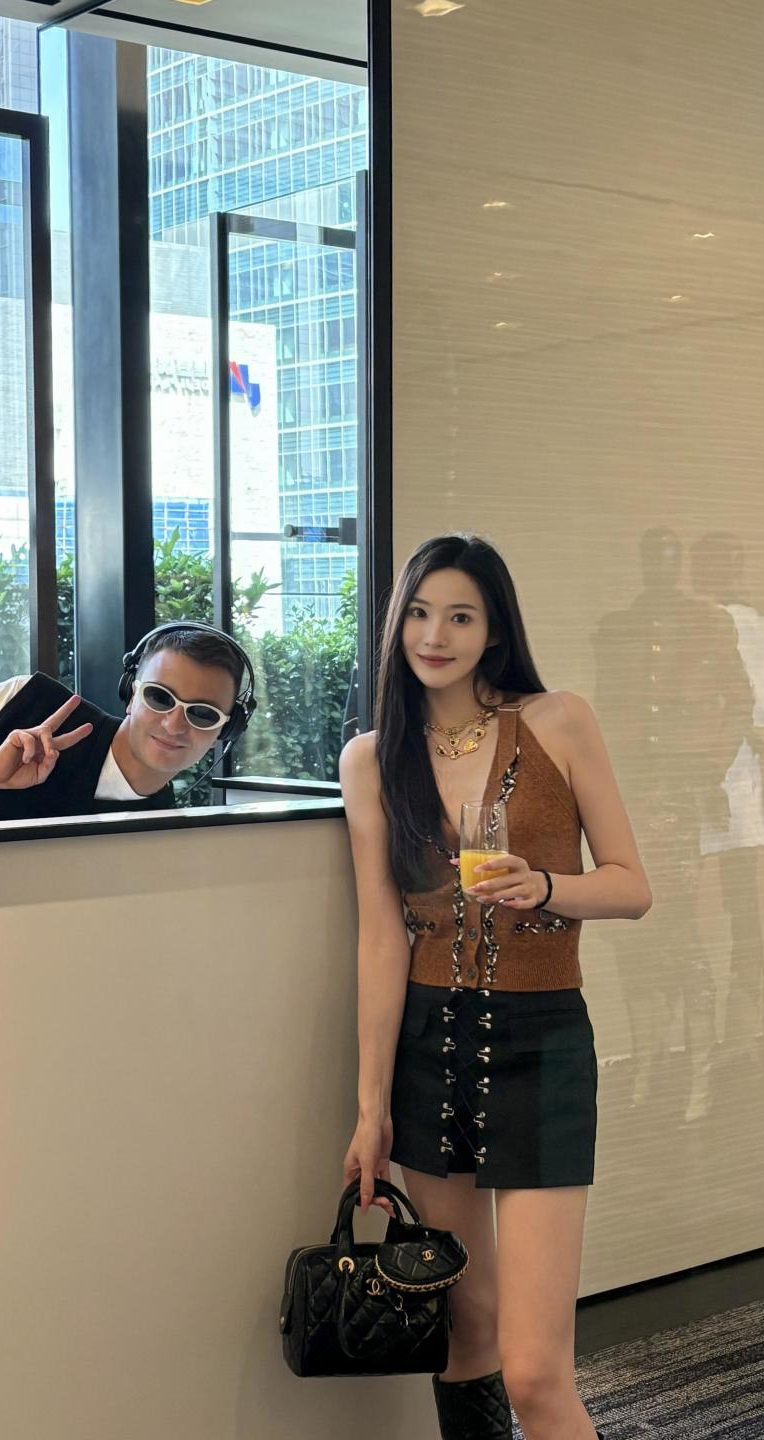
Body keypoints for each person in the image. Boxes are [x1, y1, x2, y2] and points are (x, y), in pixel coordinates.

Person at [338, 534, 650, 1440]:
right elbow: (381, 936)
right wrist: (370, 1110)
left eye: (460, 616)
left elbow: (631, 885)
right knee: (464, 1331)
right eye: (419, 613)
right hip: (428, 1049)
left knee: (537, 1372)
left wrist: (545, 886)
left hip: (542, 1044)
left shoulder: (559, 721)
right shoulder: (372, 759)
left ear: (494, 630)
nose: (435, 635)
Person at [0, 622, 256, 829]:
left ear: (225, 731)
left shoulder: (161, 832)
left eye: (202, 713)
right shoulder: (32, 703)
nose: (174, 723)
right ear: (131, 695)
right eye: (160, 697)